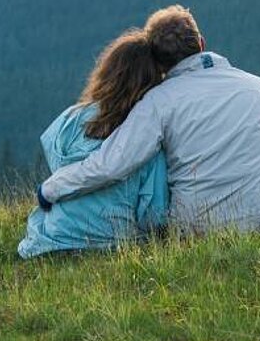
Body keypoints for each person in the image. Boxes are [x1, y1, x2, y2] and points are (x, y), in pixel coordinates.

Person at [37, 5, 260, 234]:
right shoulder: (257, 87)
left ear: (157, 61)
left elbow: (110, 165)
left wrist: (51, 189)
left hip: (194, 231)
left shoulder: (158, 102)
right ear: (201, 43)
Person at [18, 30, 169, 258]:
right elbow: (154, 216)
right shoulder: (145, 139)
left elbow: (56, 159)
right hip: (111, 244)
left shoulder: (70, 120)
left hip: (51, 240)